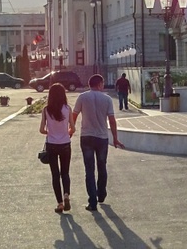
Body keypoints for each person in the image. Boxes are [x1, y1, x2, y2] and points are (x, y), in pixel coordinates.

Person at [73, 74, 125, 211]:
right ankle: (101, 194)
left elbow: (74, 115)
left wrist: (71, 130)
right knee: (102, 166)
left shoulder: (82, 97)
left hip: (86, 137)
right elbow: (112, 120)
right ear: (100, 84)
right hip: (102, 138)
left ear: (90, 84)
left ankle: (92, 202)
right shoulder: (107, 99)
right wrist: (115, 137)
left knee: (89, 170)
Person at [39, 83, 76, 213]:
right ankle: (66, 194)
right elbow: (73, 128)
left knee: (55, 175)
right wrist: (67, 132)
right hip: (65, 143)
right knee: (65, 172)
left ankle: (60, 203)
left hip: (52, 145)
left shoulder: (46, 110)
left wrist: (50, 132)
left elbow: (42, 130)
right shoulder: (68, 109)